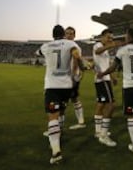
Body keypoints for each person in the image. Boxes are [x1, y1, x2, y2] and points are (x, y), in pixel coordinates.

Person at [97, 28, 133, 154]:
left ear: (129, 37)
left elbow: (113, 67)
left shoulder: (123, 50)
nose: (124, 37)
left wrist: (102, 73)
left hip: (130, 86)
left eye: (126, 35)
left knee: (131, 115)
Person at [36, 25, 80, 164]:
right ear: (63, 34)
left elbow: (37, 53)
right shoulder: (71, 44)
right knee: (61, 111)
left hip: (52, 86)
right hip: (66, 85)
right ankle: (58, 134)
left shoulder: (46, 46)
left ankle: (56, 151)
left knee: (53, 116)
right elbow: (75, 55)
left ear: (52, 34)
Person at [93, 29, 120, 147]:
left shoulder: (106, 50)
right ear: (102, 37)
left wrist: (113, 77)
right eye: (108, 37)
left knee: (101, 104)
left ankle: (98, 131)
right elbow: (98, 51)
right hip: (103, 80)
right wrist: (110, 45)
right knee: (111, 105)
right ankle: (104, 135)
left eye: (112, 38)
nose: (110, 40)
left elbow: (108, 65)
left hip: (104, 79)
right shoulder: (98, 45)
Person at [64, 26, 86, 130]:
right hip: (67, 76)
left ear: (74, 35)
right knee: (73, 98)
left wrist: (73, 76)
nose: (69, 35)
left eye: (71, 34)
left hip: (71, 77)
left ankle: (56, 128)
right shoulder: (65, 45)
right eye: (67, 33)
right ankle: (81, 122)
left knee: (70, 99)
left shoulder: (74, 47)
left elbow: (76, 62)